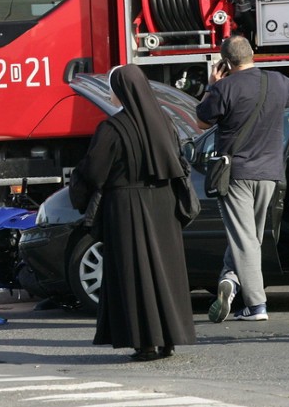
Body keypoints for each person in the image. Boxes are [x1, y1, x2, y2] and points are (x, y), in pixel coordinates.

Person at [69, 64, 197, 361]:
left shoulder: (112, 129)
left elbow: (94, 171)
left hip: (126, 207)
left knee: (134, 272)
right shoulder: (164, 122)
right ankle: (168, 340)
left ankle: (145, 343)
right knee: (165, 272)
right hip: (164, 206)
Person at [196, 35, 289, 323]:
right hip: (270, 174)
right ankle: (231, 280)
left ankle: (256, 305)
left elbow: (201, 121)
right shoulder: (275, 81)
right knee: (251, 238)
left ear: (226, 62)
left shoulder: (223, 88)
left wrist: (212, 86)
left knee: (245, 238)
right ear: (253, 54)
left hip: (236, 174)